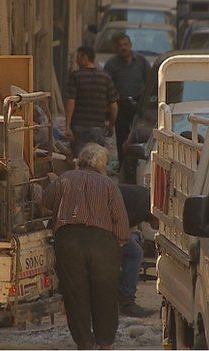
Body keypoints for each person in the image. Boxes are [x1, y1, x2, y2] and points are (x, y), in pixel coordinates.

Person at [43, 143, 130, 349]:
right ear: (101, 164)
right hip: (102, 242)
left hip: (69, 240)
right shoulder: (108, 185)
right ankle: (105, 342)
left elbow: (46, 202)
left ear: (80, 161)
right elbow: (120, 220)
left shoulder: (64, 179)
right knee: (106, 293)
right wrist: (120, 241)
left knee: (75, 294)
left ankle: (83, 342)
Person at [103, 34, 151, 172]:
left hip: (138, 104)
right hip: (121, 104)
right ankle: (123, 164)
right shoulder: (111, 64)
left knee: (139, 134)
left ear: (130, 45)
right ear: (116, 48)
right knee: (122, 136)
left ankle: (138, 163)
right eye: (120, 46)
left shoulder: (141, 61)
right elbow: (106, 84)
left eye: (125, 45)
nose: (123, 48)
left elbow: (149, 81)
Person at [65, 47, 119, 158]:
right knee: (96, 161)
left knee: (79, 161)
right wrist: (110, 125)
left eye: (78, 58)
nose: (76, 61)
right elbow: (114, 106)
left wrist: (67, 126)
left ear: (85, 58)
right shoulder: (105, 78)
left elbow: (71, 101)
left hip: (78, 126)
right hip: (98, 127)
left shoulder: (76, 76)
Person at [117, 184, 159, 317]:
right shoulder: (141, 210)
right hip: (102, 226)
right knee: (135, 254)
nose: (157, 227)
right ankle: (127, 302)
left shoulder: (145, 200)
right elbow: (121, 228)